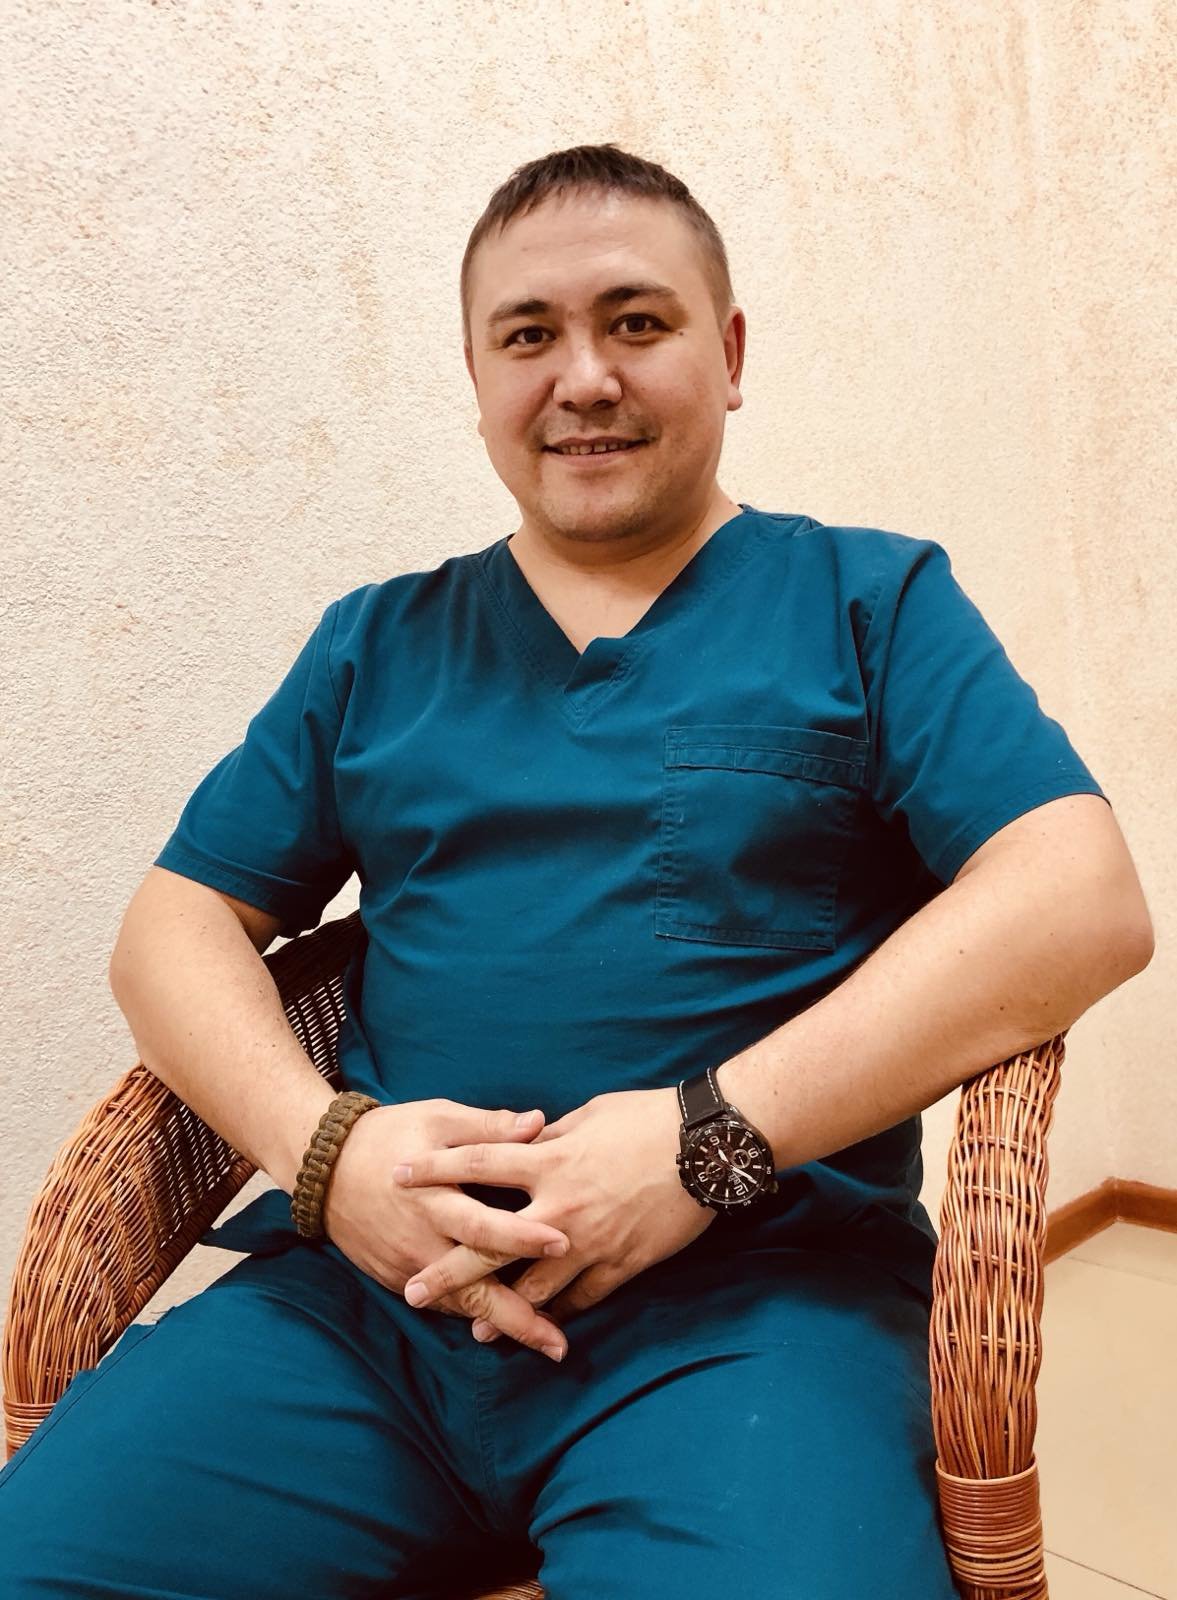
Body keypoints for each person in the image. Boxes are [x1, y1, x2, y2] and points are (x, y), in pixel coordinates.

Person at [0, 144, 1154, 1598]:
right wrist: (326, 1156)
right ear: (478, 377)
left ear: (729, 355)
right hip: (367, 1317)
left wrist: (701, 1143)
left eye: (637, 322)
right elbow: (171, 927)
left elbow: (1080, 895)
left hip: (754, 1319)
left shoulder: (867, 604)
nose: (584, 378)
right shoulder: (377, 644)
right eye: (528, 335)